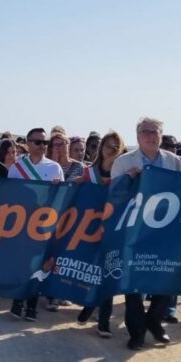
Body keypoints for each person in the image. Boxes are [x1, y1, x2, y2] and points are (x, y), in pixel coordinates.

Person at [112, 118, 181, 348]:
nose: (151, 135)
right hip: (134, 229)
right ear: (137, 136)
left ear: (162, 135)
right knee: (133, 283)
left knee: (164, 277)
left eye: (156, 132)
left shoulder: (173, 161)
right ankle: (137, 332)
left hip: (164, 229)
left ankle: (154, 319)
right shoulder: (123, 162)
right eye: (146, 132)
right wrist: (128, 181)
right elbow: (113, 196)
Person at [8, 127, 64, 321]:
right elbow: (9, 197)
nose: (42, 146)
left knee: (38, 265)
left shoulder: (54, 168)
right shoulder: (16, 168)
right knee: (20, 264)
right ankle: (17, 300)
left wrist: (58, 188)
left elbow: (61, 198)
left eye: (45, 142)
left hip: (43, 224)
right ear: (29, 143)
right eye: (38, 142)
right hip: (21, 223)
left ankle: (32, 305)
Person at [76, 130, 125, 335]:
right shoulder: (89, 173)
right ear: (101, 147)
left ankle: (103, 321)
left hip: (113, 231)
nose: (111, 150)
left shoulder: (122, 174)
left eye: (116, 147)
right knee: (91, 271)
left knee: (108, 274)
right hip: (90, 230)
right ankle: (89, 306)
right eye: (107, 146)